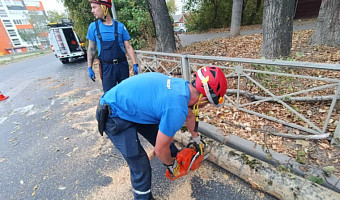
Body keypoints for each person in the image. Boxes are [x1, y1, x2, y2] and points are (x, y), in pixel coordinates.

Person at [96, 66, 227, 199]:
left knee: (165, 141)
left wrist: (197, 140)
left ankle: (177, 159)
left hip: (133, 108)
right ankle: (144, 197)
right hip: (113, 113)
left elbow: (190, 115)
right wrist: (172, 166)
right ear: (204, 99)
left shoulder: (182, 87)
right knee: (140, 163)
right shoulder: (177, 109)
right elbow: (159, 150)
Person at [86, 0, 139, 92]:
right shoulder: (93, 27)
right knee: (110, 96)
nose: (92, 11)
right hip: (106, 68)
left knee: (125, 93)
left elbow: (128, 47)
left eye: (94, 7)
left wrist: (134, 64)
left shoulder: (120, 26)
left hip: (122, 66)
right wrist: (89, 67)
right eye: (92, 8)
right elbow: (91, 49)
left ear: (104, 7)